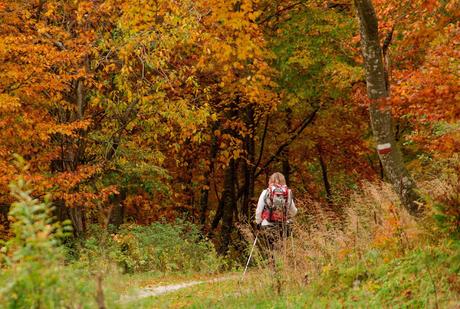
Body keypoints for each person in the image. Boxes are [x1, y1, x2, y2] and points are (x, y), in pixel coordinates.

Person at [255, 172, 297, 253]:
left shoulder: (266, 192)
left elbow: (259, 210)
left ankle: (270, 264)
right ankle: (281, 264)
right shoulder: (287, 192)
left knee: (270, 251)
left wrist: (258, 222)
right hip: (283, 226)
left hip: (267, 225)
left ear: (270, 181)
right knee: (281, 251)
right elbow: (294, 211)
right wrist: (288, 215)